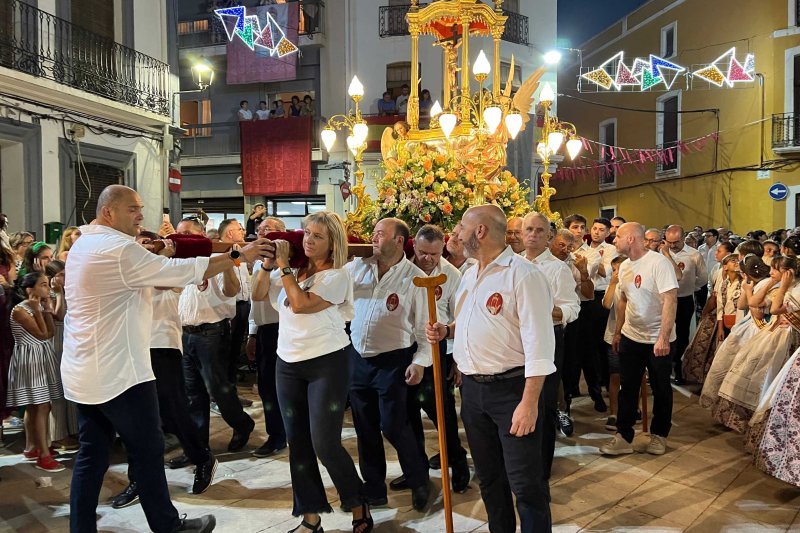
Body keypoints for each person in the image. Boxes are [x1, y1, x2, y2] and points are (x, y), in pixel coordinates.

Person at [61, 185, 271, 533]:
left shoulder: (84, 243)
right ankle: (168, 527)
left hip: (84, 371)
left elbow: (156, 280)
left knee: (91, 455)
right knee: (147, 449)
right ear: (109, 212)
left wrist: (164, 251)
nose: (141, 216)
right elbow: (182, 273)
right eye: (133, 209)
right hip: (120, 372)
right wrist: (238, 256)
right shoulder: (117, 250)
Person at [426, 204, 555, 532]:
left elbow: (540, 345)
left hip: (511, 392)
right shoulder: (470, 272)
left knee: (525, 485)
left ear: (480, 231)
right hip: (473, 392)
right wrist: (448, 330)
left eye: (461, 227)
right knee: (489, 479)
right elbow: (474, 319)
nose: (455, 233)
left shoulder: (523, 274)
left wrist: (528, 404)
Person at [255, 211, 373, 533]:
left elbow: (300, 304)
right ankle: (310, 516)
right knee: (298, 444)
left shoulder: (336, 275)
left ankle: (358, 503)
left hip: (326, 364)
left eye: (317, 236)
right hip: (287, 364)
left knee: (325, 443)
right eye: (306, 233)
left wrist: (283, 266)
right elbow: (256, 294)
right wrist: (267, 265)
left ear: (332, 242)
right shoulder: (295, 268)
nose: (308, 240)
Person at [110, 231, 219, 509]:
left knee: (174, 409)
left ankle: (202, 457)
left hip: (162, 344)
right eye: (139, 245)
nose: (144, 248)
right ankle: (139, 478)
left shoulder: (167, 267)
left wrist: (162, 254)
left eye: (148, 243)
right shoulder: (131, 268)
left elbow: (160, 283)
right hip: (133, 347)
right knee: (138, 418)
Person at [345, 218, 432, 511]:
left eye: (380, 234)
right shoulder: (358, 267)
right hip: (358, 357)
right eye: (373, 232)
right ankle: (374, 488)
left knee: (393, 426)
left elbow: (423, 330)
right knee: (364, 426)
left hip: (394, 361)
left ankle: (419, 480)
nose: (373, 237)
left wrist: (420, 363)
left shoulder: (415, 278)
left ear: (399, 241)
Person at [176, 218, 256, 460]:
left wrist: (228, 263)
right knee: (192, 393)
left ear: (201, 236)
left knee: (217, 389)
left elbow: (231, 291)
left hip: (211, 332)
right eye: (179, 234)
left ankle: (242, 423)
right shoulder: (179, 262)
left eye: (186, 234)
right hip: (186, 332)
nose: (180, 238)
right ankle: (198, 449)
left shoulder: (217, 258)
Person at [600, 222, 678, 456]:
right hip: (631, 337)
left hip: (658, 338)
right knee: (628, 387)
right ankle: (623, 436)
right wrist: (617, 332)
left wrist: (663, 337)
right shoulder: (624, 267)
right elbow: (623, 300)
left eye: (618, 236)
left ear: (632, 239)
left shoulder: (658, 263)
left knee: (662, 388)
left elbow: (670, 300)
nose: (615, 240)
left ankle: (659, 435)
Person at [402, 225, 470, 494]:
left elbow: (460, 320)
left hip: (437, 347)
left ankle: (457, 461)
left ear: (443, 249)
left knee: (441, 412)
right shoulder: (403, 269)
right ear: (414, 247)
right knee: (407, 415)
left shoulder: (452, 275)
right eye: (421, 252)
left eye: (433, 253)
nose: (427, 259)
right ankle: (416, 471)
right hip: (404, 347)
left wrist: (456, 360)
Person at [521, 211, 579, 480]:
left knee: (543, 404)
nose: (532, 235)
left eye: (539, 231)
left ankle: (541, 467)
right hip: (518, 341)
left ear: (549, 237)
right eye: (528, 229)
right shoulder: (513, 265)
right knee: (519, 401)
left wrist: (547, 310)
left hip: (548, 338)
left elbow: (572, 307)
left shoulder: (557, 268)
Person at [6, 272, 63, 472]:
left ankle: (33, 448)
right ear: (30, 289)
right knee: (40, 406)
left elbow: (51, 332)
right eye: (43, 285)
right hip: (30, 359)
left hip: (41, 356)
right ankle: (44, 455)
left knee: (36, 405)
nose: (47, 289)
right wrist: (39, 311)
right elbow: (41, 334)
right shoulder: (20, 310)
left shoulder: (36, 306)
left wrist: (46, 310)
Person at [247, 217, 287, 458]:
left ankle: (284, 433)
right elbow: (255, 300)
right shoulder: (257, 264)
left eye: (268, 230)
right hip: (264, 330)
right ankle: (276, 434)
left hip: (284, 328)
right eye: (259, 230)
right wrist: (252, 333)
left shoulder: (289, 262)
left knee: (282, 387)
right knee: (266, 387)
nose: (262, 234)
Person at [563, 214, 604, 412]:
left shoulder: (592, 254)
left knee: (589, 353)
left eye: (582, 227)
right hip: (564, 307)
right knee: (568, 355)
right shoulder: (558, 252)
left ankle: (596, 394)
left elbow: (581, 277)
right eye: (575, 227)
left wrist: (572, 264)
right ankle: (567, 398)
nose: (579, 231)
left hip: (585, 305)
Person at [664, 225, 706, 385]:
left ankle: (678, 369)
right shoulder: (660, 254)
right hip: (665, 301)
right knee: (665, 333)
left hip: (684, 299)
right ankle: (665, 367)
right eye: (669, 242)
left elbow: (702, 278)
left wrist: (690, 287)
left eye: (676, 242)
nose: (673, 245)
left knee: (681, 336)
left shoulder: (694, 254)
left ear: (683, 238)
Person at [44, 260, 78, 452]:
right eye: (62, 274)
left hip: (68, 340)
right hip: (55, 341)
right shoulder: (49, 293)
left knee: (69, 386)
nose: (66, 277)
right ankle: (57, 435)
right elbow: (59, 314)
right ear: (53, 278)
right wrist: (58, 292)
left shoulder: (71, 289)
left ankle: (73, 429)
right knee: (56, 387)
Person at [218, 219, 252, 391]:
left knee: (235, 352)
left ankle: (232, 391)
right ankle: (224, 394)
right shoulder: (217, 254)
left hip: (243, 306)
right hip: (228, 308)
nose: (243, 232)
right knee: (226, 352)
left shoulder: (239, 251)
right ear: (230, 233)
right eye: (240, 229)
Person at [601, 255, 629, 431]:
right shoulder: (614, 285)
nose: (617, 273)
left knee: (632, 376)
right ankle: (613, 412)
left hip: (632, 335)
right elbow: (606, 304)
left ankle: (632, 408)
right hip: (613, 335)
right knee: (615, 375)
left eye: (620, 269)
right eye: (614, 270)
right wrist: (612, 283)